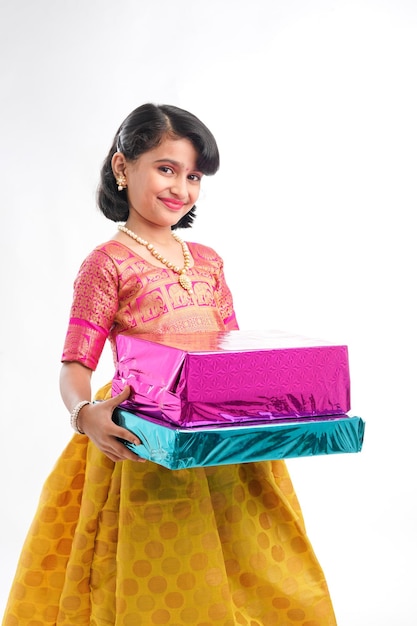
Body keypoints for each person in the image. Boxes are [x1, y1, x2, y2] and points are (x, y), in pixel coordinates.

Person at [2, 103, 337, 626]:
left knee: (254, 565)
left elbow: (228, 351)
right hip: (144, 442)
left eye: (194, 176)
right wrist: (85, 414)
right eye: (166, 168)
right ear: (122, 168)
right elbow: (74, 364)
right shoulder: (106, 264)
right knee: (162, 574)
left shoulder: (206, 260)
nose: (181, 187)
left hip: (222, 440)